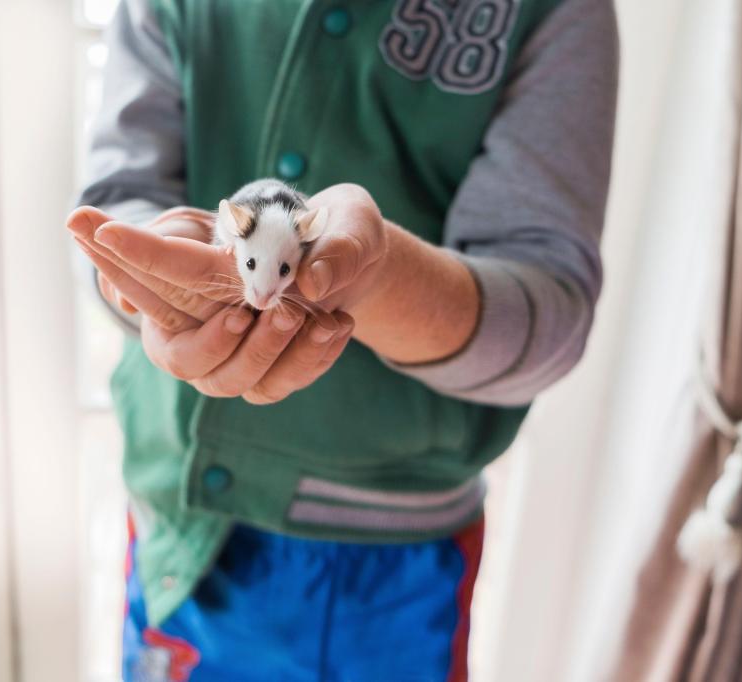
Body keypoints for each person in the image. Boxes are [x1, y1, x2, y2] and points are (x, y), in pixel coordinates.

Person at [69, 0, 618, 679]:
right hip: (181, 530)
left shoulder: (556, 14)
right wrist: (152, 283)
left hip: (393, 564)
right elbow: (115, 204)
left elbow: (549, 317)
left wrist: (378, 276)